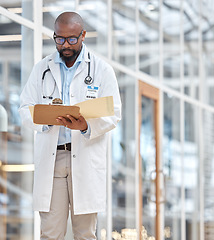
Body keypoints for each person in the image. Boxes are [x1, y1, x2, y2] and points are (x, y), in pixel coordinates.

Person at [19, 11, 121, 239]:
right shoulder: (42, 69)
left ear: (83, 35)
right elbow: (24, 108)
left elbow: (114, 113)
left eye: (72, 39)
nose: (65, 45)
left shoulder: (101, 70)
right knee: (50, 232)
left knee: (85, 233)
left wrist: (86, 126)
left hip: (84, 155)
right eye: (60, 39)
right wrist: (45, 121)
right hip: (52, 159)